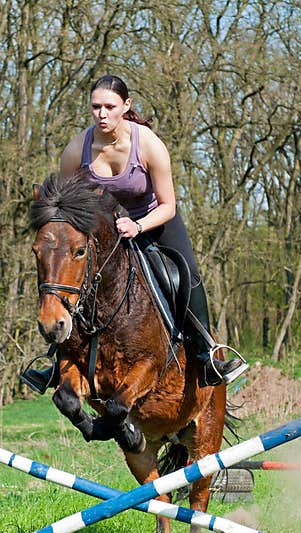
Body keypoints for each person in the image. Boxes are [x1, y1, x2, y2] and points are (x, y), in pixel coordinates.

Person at [21, 75, 247, 391]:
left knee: (187, 274)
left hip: (153, 221)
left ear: (126, 106)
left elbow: (168, 205)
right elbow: (63, 206)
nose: (102, 114)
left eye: (109, 106)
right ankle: (54, 361)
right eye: (96, 106)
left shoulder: (149, 145)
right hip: (104, 232)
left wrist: (138, 225)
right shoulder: (76, 150)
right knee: (73, 278)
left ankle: (206, 352)